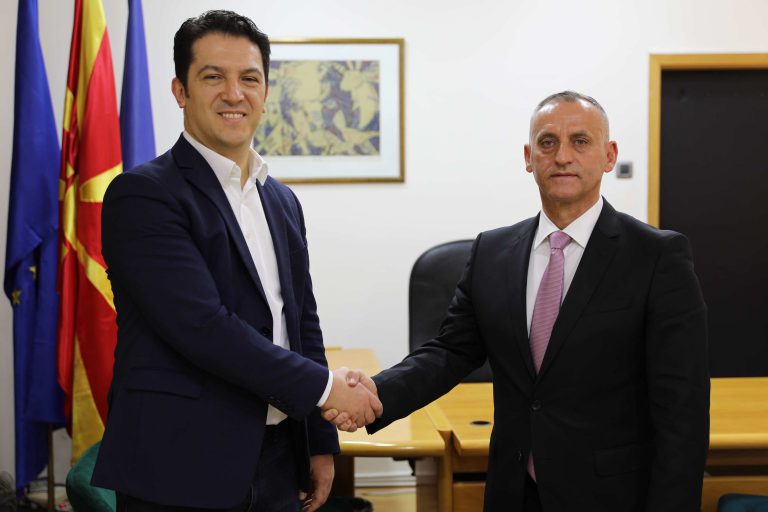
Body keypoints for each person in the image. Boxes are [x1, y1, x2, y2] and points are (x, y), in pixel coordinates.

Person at [327, 91, 710, 511]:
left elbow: (683, 410)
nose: (562, 156)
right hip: (513, 491)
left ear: (609, 155)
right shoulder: (492, 252)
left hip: (610, 495)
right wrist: (376, 392)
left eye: (580, 141)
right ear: (529, 157)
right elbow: (450, 351)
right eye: (547, 142)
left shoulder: (656, 257)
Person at [91, 10, 381, 512]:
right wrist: (327, 389)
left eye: (249, 78)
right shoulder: (142, 195)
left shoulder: (281, 200)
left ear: (265, 91)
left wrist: (319, 442)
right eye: (213, 77)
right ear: (180, 91)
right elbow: (203, 327)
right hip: (178, 465)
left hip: (278, 460)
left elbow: (301, 324)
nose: (234, 93)